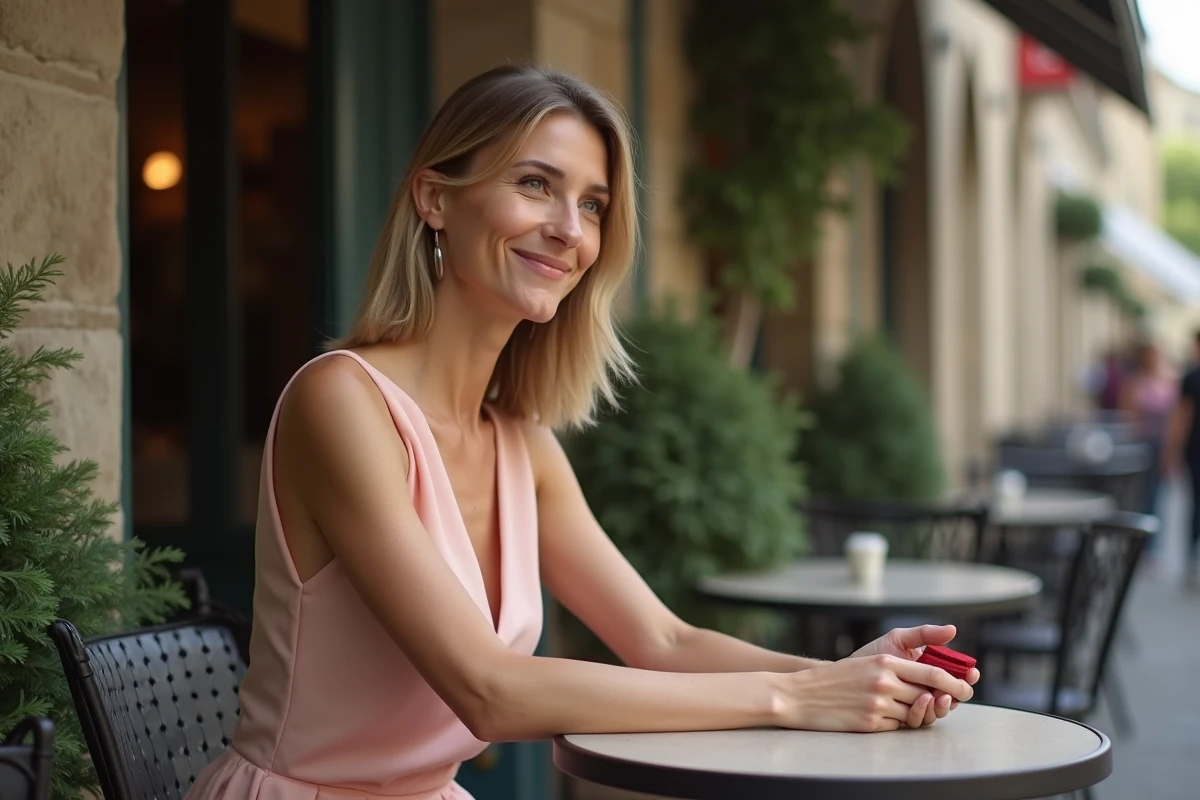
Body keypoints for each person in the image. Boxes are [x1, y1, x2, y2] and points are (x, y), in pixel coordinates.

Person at [186, 65, 977, 800]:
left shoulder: (519, 442)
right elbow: (487, 690)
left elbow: (663, 640)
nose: (570, 230)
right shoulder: (342, 404)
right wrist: (793, 698)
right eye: (536, 184)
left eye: (593, 205)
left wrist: (848, 675)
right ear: (434, 199)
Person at [1121, 340, 1176, 516]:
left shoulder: (1170, 380)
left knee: (1157, 488)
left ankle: (1153, 525)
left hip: (1161, 441)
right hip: (1141, 441)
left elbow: (1174, 417)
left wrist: (1172, 449)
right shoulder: (1134, 382)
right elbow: (1127, 415)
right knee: (1141, 488)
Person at [1162, 330, 1200, 589]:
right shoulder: (1191, 378)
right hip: (1194, 450)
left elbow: (1181, 419)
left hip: (1195, 450)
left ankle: (1192, 562)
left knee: (1196, 506)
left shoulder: (1192, 378)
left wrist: (1171, 451)